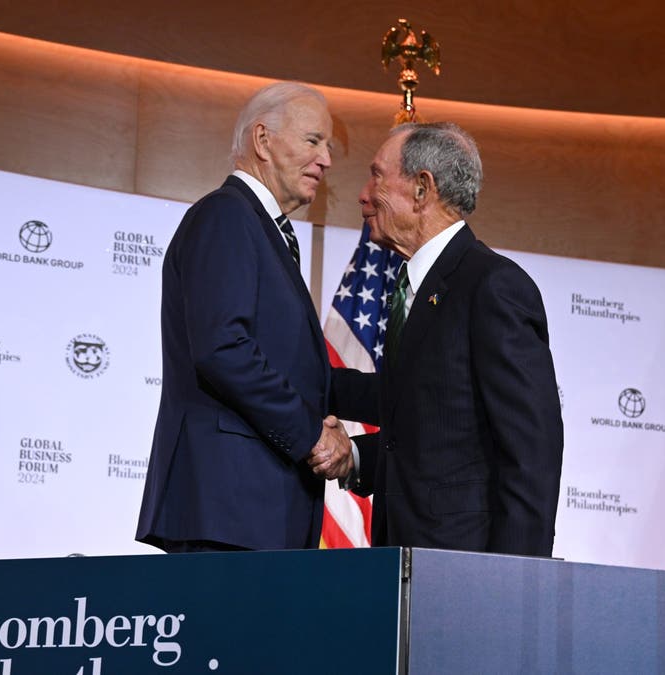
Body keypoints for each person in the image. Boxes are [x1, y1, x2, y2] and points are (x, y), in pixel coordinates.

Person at [331, 122, 564, 556]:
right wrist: (307, 387)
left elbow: (531, 452)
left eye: (378, 175)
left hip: (464, 569)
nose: (363, 194)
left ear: (422, 188)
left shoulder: (492, 286)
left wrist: (515, 580)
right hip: (401, 561)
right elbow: (428, 421)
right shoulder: (415, 287)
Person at [137, 82, 352, 553]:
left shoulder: (262, 229)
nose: (327, 160)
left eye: (328, 147)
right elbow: (222, 349)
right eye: (314, 141)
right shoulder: (226, 217)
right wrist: (312, 434)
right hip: (225, 507)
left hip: (253, 511)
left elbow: (292, 369)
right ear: (262, 141)